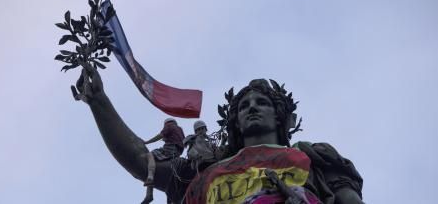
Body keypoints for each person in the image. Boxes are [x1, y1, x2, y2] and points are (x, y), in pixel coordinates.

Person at [72, 64, 363, 203]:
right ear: (234, 119)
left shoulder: (311, 158)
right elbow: (139, 160)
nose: (252, 108)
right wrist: (99, 102)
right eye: (244, 106)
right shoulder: (203, 170)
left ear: (282, 117)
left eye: (262, 103)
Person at [141, 117, 185, 203]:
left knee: (150, 155)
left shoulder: (169, 126)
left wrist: (147, 142)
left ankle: (150, 177)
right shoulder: (180, 129)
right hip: (177, 153)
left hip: (169, 149)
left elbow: (160, 135)